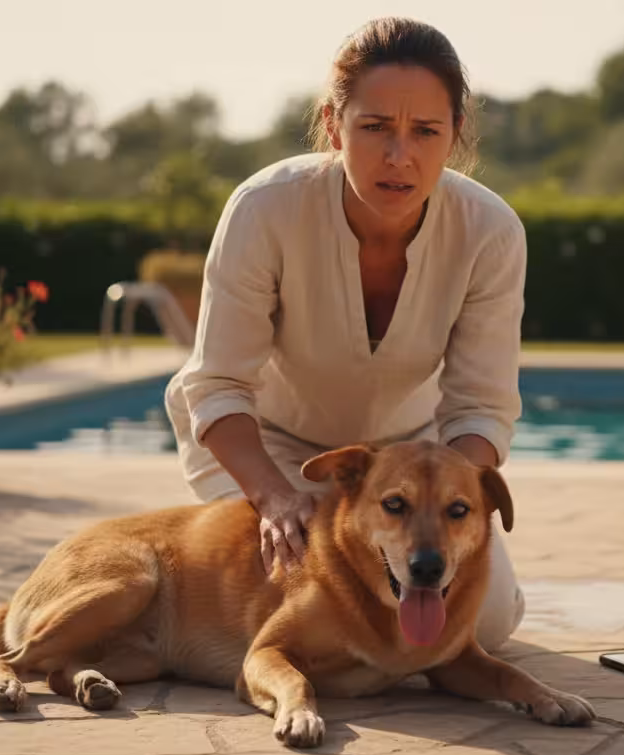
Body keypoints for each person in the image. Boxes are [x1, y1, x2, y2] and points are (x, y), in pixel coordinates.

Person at [163, 16, 527, 652]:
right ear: (334, 126)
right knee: (295, 598)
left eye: (425, 132)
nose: (399, 155)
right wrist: (274, 499)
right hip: (267, 448)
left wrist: (446, 512)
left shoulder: (491, 232)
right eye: (375, 127)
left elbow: (480, 408)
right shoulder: (264, 208)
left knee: (487, 622)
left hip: (410, 461)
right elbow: (218, 386)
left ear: (454, 136)